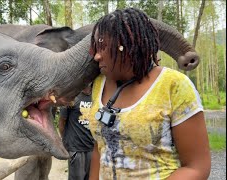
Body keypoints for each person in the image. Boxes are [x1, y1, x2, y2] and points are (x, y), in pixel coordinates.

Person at [87, 8, 211, 180]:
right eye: (95, 48)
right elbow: (99, 149)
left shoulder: (174, 85)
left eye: (102, 47)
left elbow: (197, 167)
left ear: (126, 45)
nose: (97, 56)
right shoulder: (99, 84)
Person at [59, 83, 95, 180]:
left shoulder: (96, 95)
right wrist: (66, 143)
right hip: (76, 149)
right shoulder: (71, 96)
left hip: (92, 148)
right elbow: (62, 122)